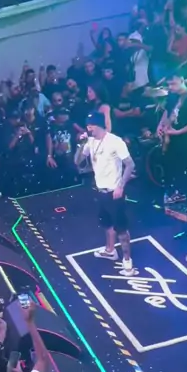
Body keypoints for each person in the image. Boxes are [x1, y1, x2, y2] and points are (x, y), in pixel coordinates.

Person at [74, 111, 135, 275]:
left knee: (121, 227)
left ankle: (127, 261)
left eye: (91, 126)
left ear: (99, 125)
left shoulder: (115, 141)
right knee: (107, 223)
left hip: (115, 191)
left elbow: (130, 164)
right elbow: (77, 161)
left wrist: (121, 186)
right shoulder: (90, 142)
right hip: (101, 190)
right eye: (87, 126)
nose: (88, 129)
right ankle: (110, 250)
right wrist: (81, 145)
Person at [157, 74, 187, 204]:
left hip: (183, 139)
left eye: (173, 84)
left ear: (182, 81)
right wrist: (160, 125)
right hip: (170, 138)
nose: (171, 87)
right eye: (169, 84)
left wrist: (177, 132)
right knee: (169, 165)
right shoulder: (172, 95)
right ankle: (171, 191)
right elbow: (167, 111)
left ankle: (181, 193)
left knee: (180, 167)